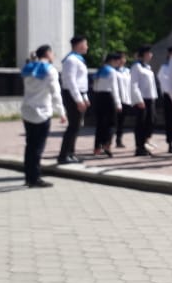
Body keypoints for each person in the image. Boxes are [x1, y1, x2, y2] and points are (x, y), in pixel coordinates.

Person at [20, 45, 66, 188]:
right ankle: (35, 178)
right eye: (53, 53)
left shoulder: (27, 69)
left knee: (30, 146)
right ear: (48, 53)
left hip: (27, 111)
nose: (54, 56)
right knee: (38, 147)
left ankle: (28, 176)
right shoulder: (50, 70)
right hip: (42, 112)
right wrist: (62, 112)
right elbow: (55, 93)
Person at [57, 35, 89, 165]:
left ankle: (71, 153)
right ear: (79, 44)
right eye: (85, 44)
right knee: (73, 126)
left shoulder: (78, 59)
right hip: (72, 95)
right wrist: (78, 100)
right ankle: (63, 155)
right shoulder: (71, 60)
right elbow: (71, 81)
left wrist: (85, 97)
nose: (87, 47)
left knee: (76, 126)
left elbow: (81, 81)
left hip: (78, 94)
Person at [91, 52, 123, 157]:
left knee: (100, 124)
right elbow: (114, 88)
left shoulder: (100, 70)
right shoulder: (112, 71)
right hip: (109, 97)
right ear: (113, 60)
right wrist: (118, 103)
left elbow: (94, 86)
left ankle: (97, 148)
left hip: (98, 97)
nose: (119, 63)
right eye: (118, 60)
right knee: (111, 123)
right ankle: (107, 144)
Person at [130, 46, 158, 157]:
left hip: (150, 97)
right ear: (144, 54)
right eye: (149, 53)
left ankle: (146, 142)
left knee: (151, 121)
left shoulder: (148, 67)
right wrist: (138, 99)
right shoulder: (136, 67)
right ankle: (139, 147)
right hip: (142, 98)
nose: (151, 55)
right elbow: (134, 84)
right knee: (141, 123)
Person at [158, 46, 172, 153]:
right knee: (170, 120)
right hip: (169, 97)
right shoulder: (165, 68)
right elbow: (166, 85)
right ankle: (170, 143)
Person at [114, 52, 133, 148]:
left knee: (121, 121)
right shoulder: (113, 71)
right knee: (113, 121)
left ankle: (119, 139)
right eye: (121, 58)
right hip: (116, 99)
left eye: (124, 58)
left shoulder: (127, 71)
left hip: (126, 99)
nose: (123, 60)